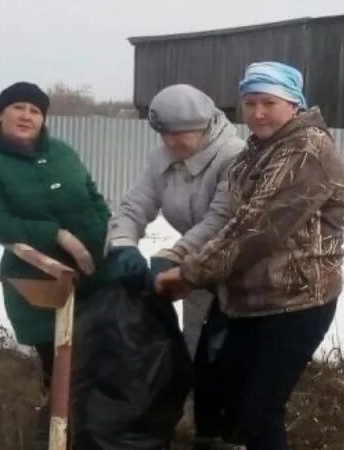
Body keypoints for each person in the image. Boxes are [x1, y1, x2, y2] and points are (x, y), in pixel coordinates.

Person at [155, 61, 344, 450]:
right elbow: (233, 218)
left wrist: (190, 273)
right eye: (249, 103)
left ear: (293, 104)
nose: (257, 112)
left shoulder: (307, 149)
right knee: (223, 399)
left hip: (295, 300)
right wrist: (187, 258)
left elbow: (259, 230)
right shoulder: (256, 151)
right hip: (247, 298)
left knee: (259, 413)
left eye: (268, 102)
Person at [0, 81, 111, 447]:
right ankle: (58, 435)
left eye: (35, 110)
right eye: (18, 108)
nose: (26, 116)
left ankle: (102, 432)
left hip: (97, 270)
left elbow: (93, 195)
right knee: (58, 363)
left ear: (44, 119)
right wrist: (56, 236)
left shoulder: (62, 152)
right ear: (1, 114)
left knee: (102, 355)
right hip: (40, 276)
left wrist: (110, 236)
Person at [105, 84, 245, 449]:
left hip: (239, 271)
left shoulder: (233, 157)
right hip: (195, 270)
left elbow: (221, 219)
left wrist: (177, 253)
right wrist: (122, 245)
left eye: (180, 133)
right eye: (164, 133)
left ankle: (235, 434)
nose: (171, 142)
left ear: (205, 125)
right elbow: (135, 205)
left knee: (230, 356)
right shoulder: (162, 157)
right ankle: (205, 433)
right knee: (197, 350)